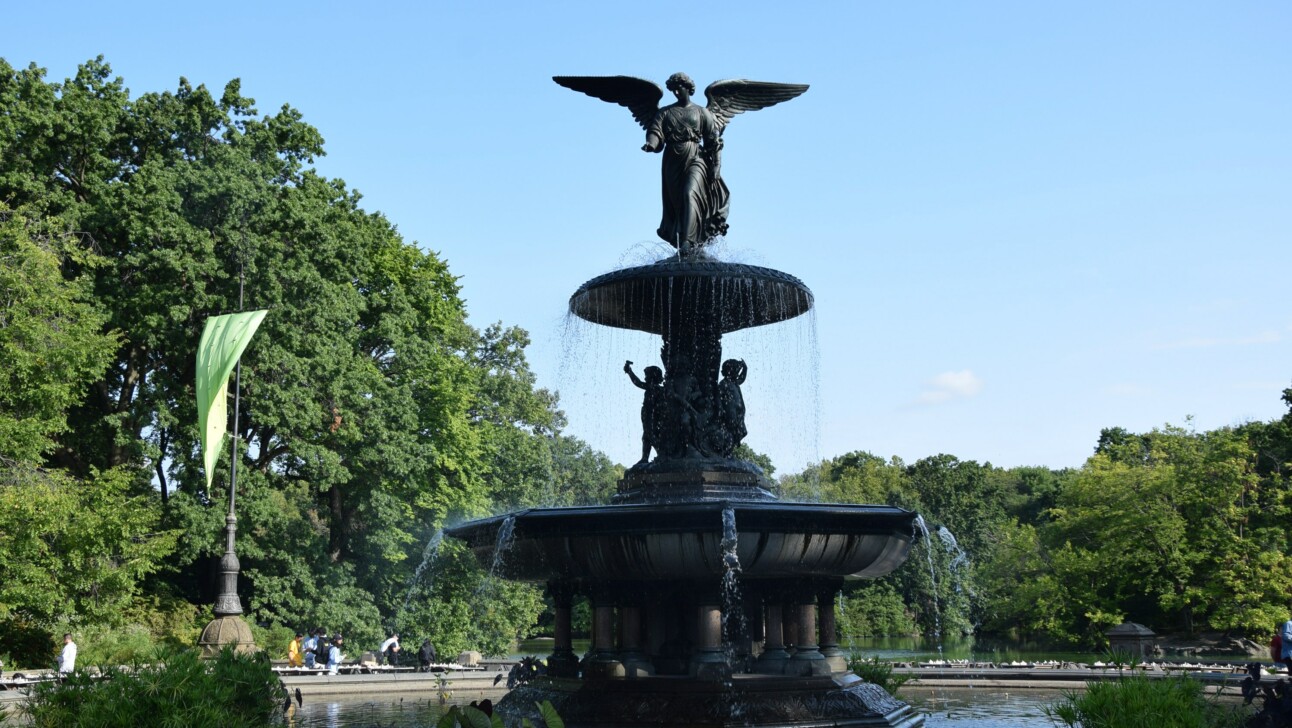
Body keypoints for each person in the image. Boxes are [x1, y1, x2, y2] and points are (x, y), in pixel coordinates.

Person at [643, 73, 729, 252]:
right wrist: (651, 144)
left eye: (679, 87)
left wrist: (716, 166)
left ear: (688, 88)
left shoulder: (701, 112)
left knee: (690, 194)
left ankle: (687, 242)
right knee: (677, 204)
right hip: (672, 161)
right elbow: (656, 132)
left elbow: (714, 141)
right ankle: (686, 239)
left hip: (696, 158)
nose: (675, 91)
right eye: (673, 89)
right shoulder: (665, 112)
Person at [624, 361, 666, 463]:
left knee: (650, 435)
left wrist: (630, 371)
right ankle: (646, 457)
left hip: (652, 415)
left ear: (653, 377)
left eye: (647, 376)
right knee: (647, 436)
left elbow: (637, 382)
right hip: (648, 414)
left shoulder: (654, 388)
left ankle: (660, 454)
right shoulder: (657, 389)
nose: (645, 378)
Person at [717, 358, 748, 452]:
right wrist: (720, 408)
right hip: (730, 411)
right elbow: (718, 396)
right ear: (729, 371)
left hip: (739, 412)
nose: (737, 373)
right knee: (731, 430)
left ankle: (730, 449)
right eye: (736, 370)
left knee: (742, 431)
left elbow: (742, 379)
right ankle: (726, 451)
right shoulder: (724, 383)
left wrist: (745, 369)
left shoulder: (735, 383)